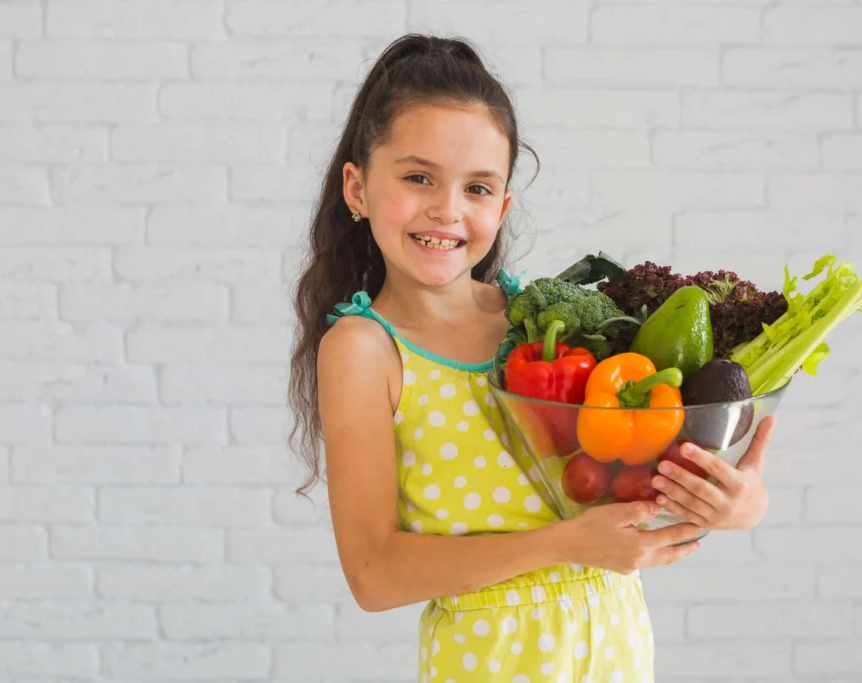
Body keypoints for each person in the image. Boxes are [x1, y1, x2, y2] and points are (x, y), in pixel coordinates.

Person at [288, 33, 776, 682]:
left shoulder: (538, 325)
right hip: (487, 659)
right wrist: (565, 545)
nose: (447, 209)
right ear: (357, 187)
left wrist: (735, 504)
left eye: (478, 188)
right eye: (417, 176)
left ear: (504, 204)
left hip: (616, 649)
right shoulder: (363, 349)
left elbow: (631, 471)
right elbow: (374, 574)